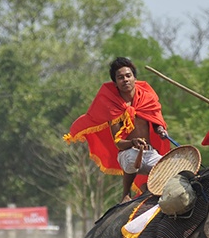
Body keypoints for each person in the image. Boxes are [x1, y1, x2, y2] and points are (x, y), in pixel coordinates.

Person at [65, 57, 171, 201]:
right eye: (120, 77)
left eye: (128, 76)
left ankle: (150, 190)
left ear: (135, 78)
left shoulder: (147, 99)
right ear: (115, 83)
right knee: (132, 159)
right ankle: (126, 194)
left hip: (150, 152)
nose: (125, 80)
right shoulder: (113, 107)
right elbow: (118, 143)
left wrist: (160, 129)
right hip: (127, 153)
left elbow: (155, 120)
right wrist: (133, 142)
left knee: (169, 169)